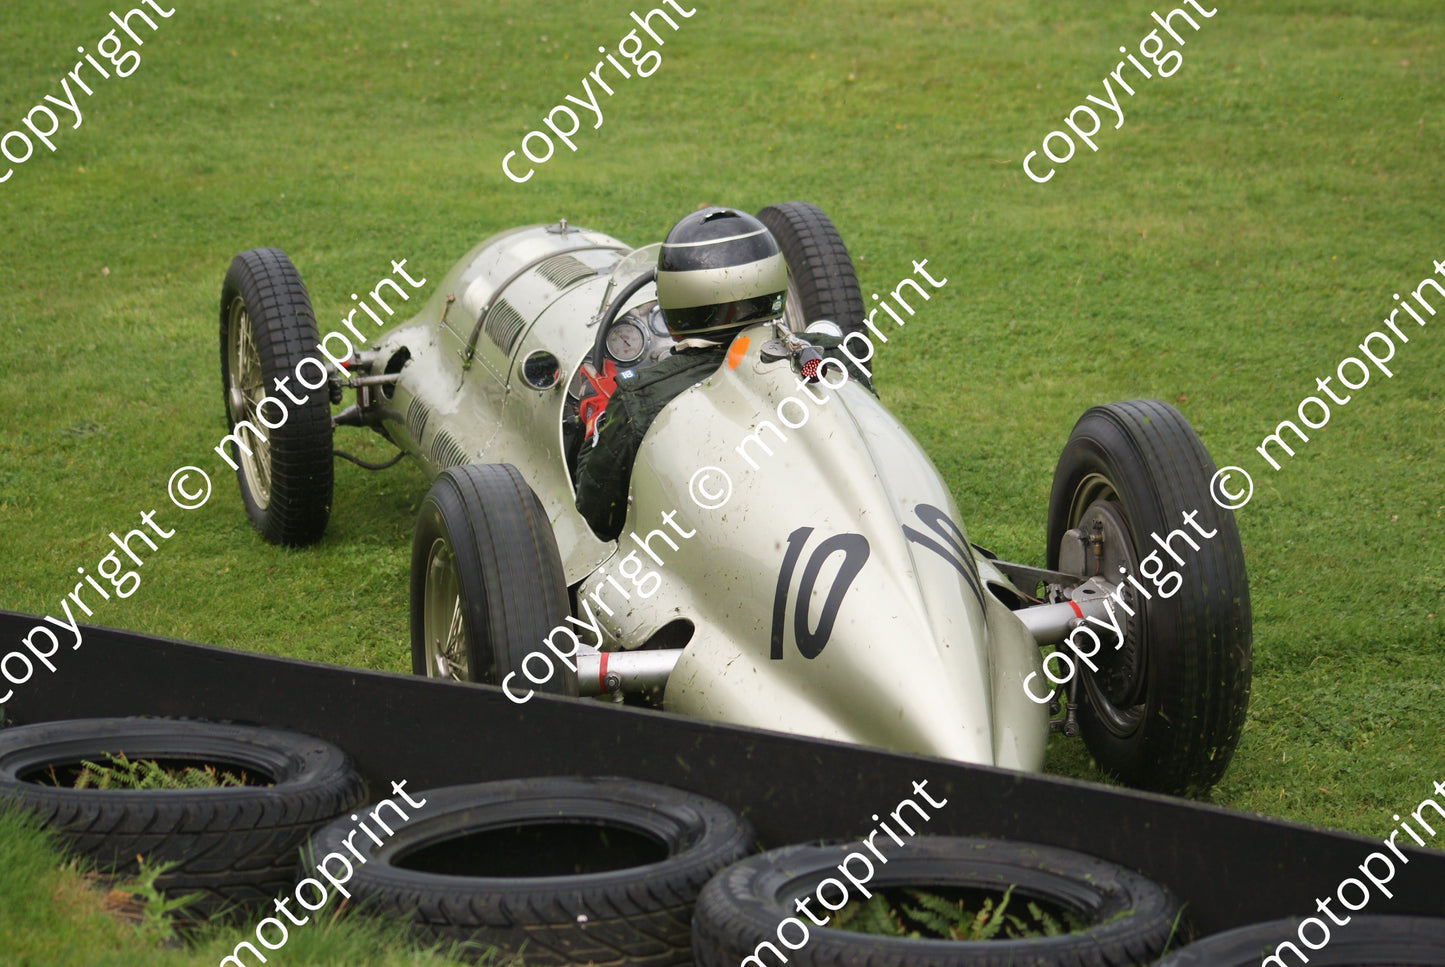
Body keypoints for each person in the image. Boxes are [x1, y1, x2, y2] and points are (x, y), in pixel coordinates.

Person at [574, 206, 869, 540]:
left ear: (673, 299)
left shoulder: (639, 400)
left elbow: (596, 514)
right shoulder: (835, 355)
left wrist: (597, 421)